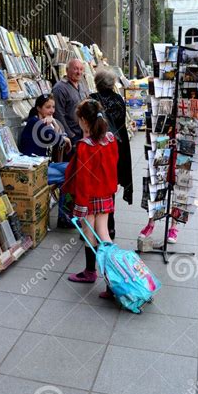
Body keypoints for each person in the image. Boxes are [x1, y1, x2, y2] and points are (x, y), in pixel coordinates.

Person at [62, 98, 119, 297]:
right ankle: (112, 279)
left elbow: (83, 179)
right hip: (105, 194)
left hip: (89, 197)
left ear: (84, 121)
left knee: (90, 235)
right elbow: (113, 167)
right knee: (104, 234)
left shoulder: (85, 146)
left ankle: (92, 272)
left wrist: (80, 205)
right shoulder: (110, 139)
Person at [90, 68, 133, 239]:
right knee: (110, 185)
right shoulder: (119, 99)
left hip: (97, 148)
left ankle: (95, 227)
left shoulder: (92, 99)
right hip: (116, 148)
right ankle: (110, 226)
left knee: (95, 187)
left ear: (97, 83)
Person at [19, 93, 72, 227]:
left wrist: (53, 121)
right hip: (35, 170)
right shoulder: (35, 122)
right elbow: (58, 139)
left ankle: (65, 216)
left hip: (42, 165)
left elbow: (60, 134)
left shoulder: (41, 121)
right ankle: (64, 217)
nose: (52, 110)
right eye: (48, 107)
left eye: (53, 107)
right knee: (70, 174)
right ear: (38, 108)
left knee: (71, 169)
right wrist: (65, 139)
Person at [52, 59, 90, 147]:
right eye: (76, 69)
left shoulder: (82, 85)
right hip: (72, 136)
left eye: (81, 69)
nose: (79, 72)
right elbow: (58, 114)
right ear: (67, 70)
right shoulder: (59, 88)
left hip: (83, 133)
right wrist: (70, 135)